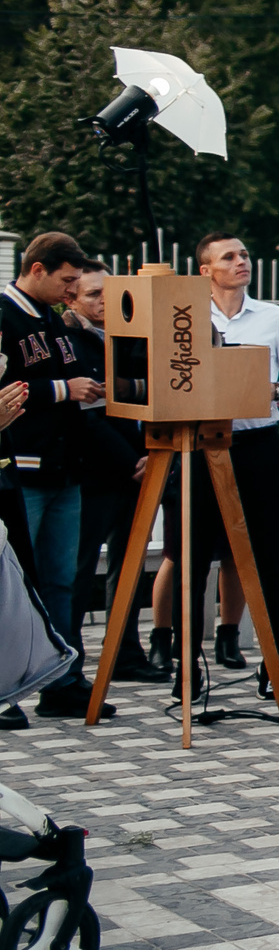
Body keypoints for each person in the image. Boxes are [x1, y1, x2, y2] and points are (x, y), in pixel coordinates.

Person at [0, 231, 107, 716]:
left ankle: (62, 679)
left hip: (66, 468)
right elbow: (8, 390)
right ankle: (7, 689)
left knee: (63, 579)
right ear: (37, 269)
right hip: (23, 466)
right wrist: (64, 390)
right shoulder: (5, 315)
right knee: (15, 581)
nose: (72, 291)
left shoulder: (55, 319)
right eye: (66, 280)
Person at [187, 234, 279, 683]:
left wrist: (271, 391)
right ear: (205, 271)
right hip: (199, 447)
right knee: (194, 555)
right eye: (229, 257)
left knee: (270, 554)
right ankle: (189, 664)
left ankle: (274, 662)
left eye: (245, 255)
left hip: (257, 445)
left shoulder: (273, 318)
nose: (241, 262)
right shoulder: (187, 318)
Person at [63, 266, 145, 685]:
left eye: (111, 292)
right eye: (94, 293)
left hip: (135, 468)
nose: (104, 301)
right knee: (76, 574)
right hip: (93, 475)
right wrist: (132, 463)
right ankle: (68, 664)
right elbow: (88, 417)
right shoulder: (69, 344)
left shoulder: (128, 335)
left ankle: (125, 653)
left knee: (127, 566)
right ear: (71, 299)